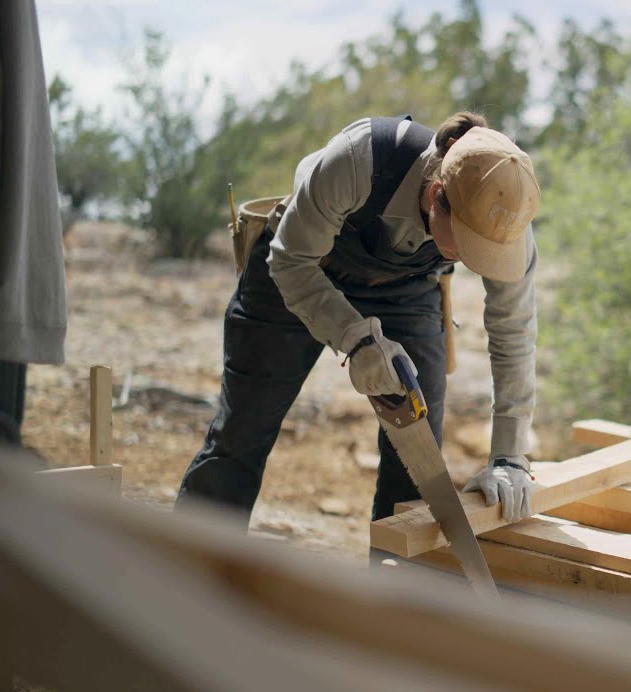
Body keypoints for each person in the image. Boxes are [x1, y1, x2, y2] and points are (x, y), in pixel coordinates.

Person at [175, 111, 540, 525]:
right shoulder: (359, 159)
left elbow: (514, 335)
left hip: (407, 290)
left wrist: (509, 456)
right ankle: (193, 570)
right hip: (299, 269)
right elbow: (291, 262)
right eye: (469, 246)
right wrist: (355, 338)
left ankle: (392, 587)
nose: (479, 262)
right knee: (241, 434)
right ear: (437, 195)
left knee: (419, 466)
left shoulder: (503, 213)